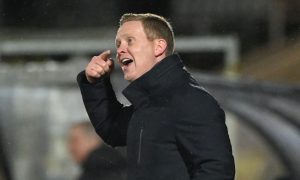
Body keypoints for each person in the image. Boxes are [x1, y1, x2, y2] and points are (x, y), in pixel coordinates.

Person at [77, 13, 235, 180]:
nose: (120, 50)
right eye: (118, 44)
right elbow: (112, 128)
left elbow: (216, 171)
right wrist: (95, 83)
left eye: (130, 40)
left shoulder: (191, 100)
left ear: (159, 47)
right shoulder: (149, 105)